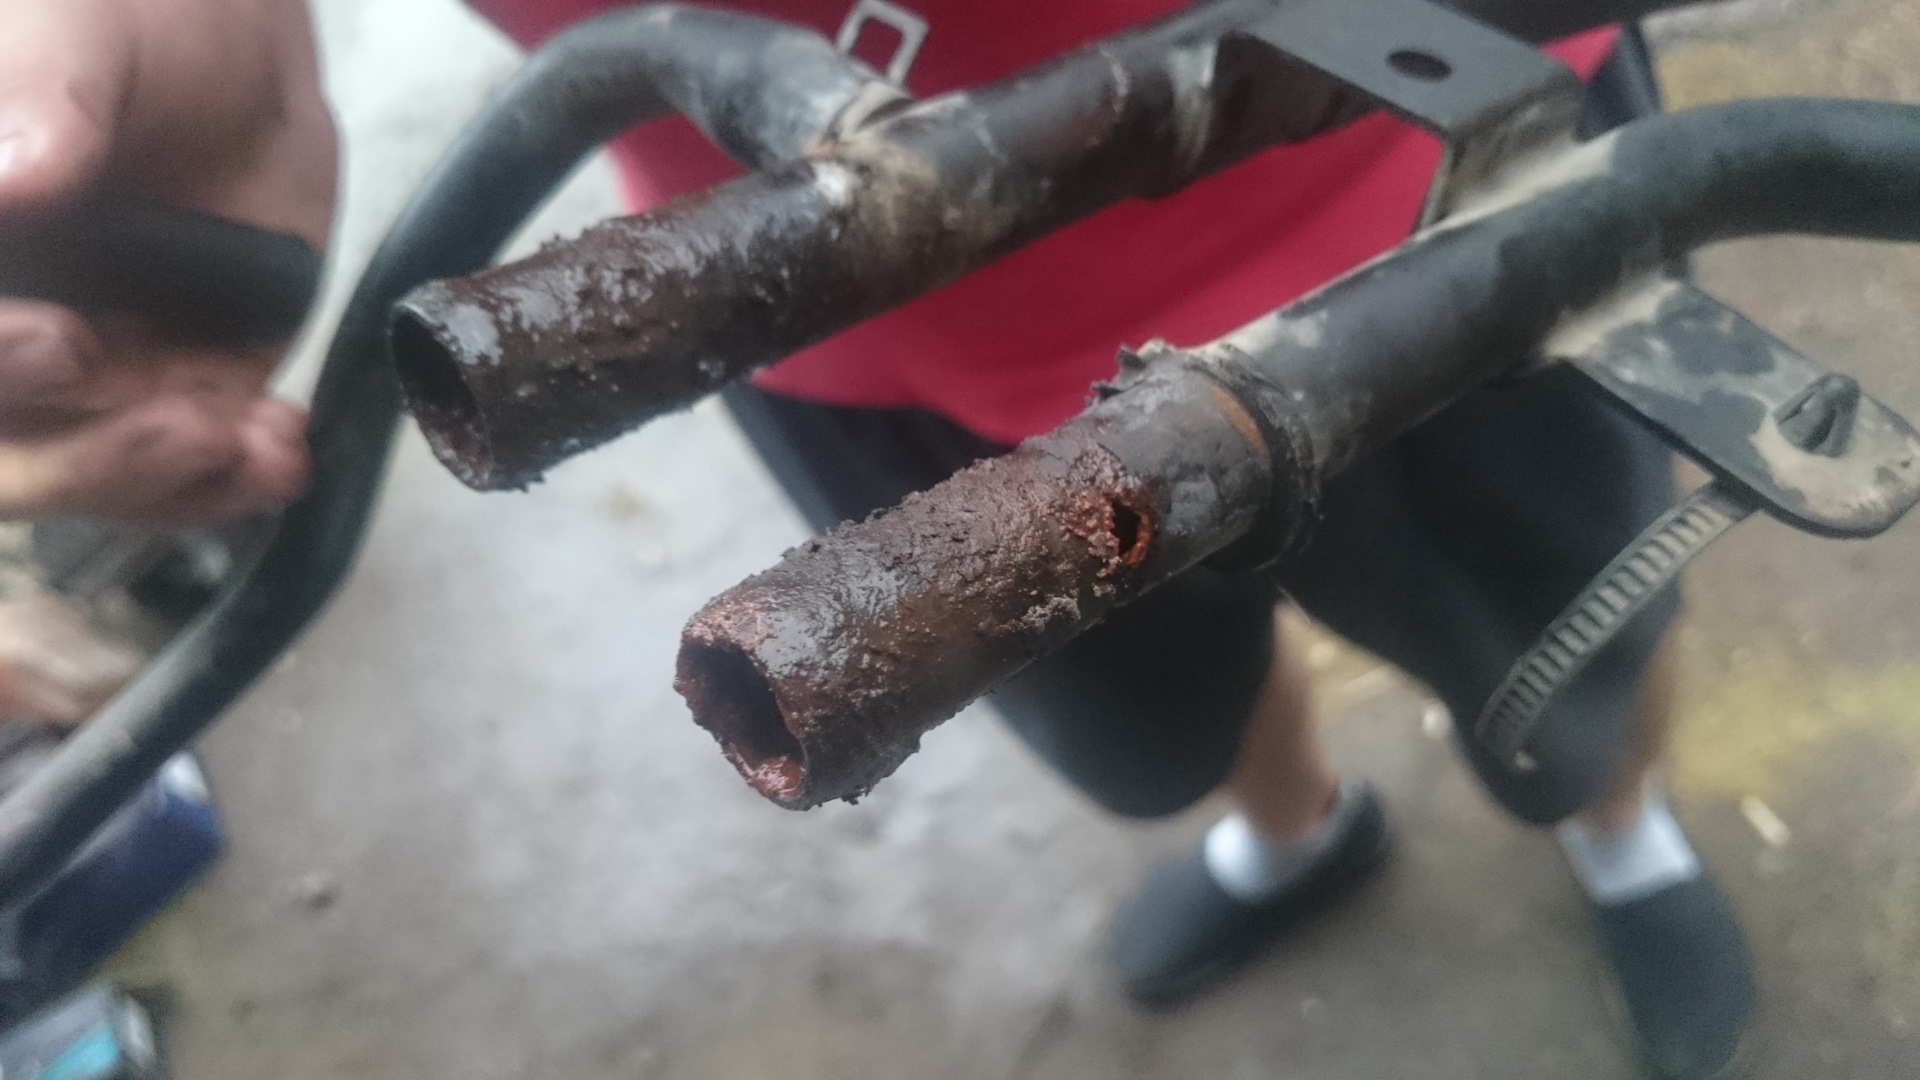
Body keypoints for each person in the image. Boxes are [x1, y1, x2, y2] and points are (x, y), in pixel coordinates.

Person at [0, 0, 1754, 1076]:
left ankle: (1621, 835)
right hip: (857, 310)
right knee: (1155, 722)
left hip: (1424, 172)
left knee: (1561, 641)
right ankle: (1300, 832)